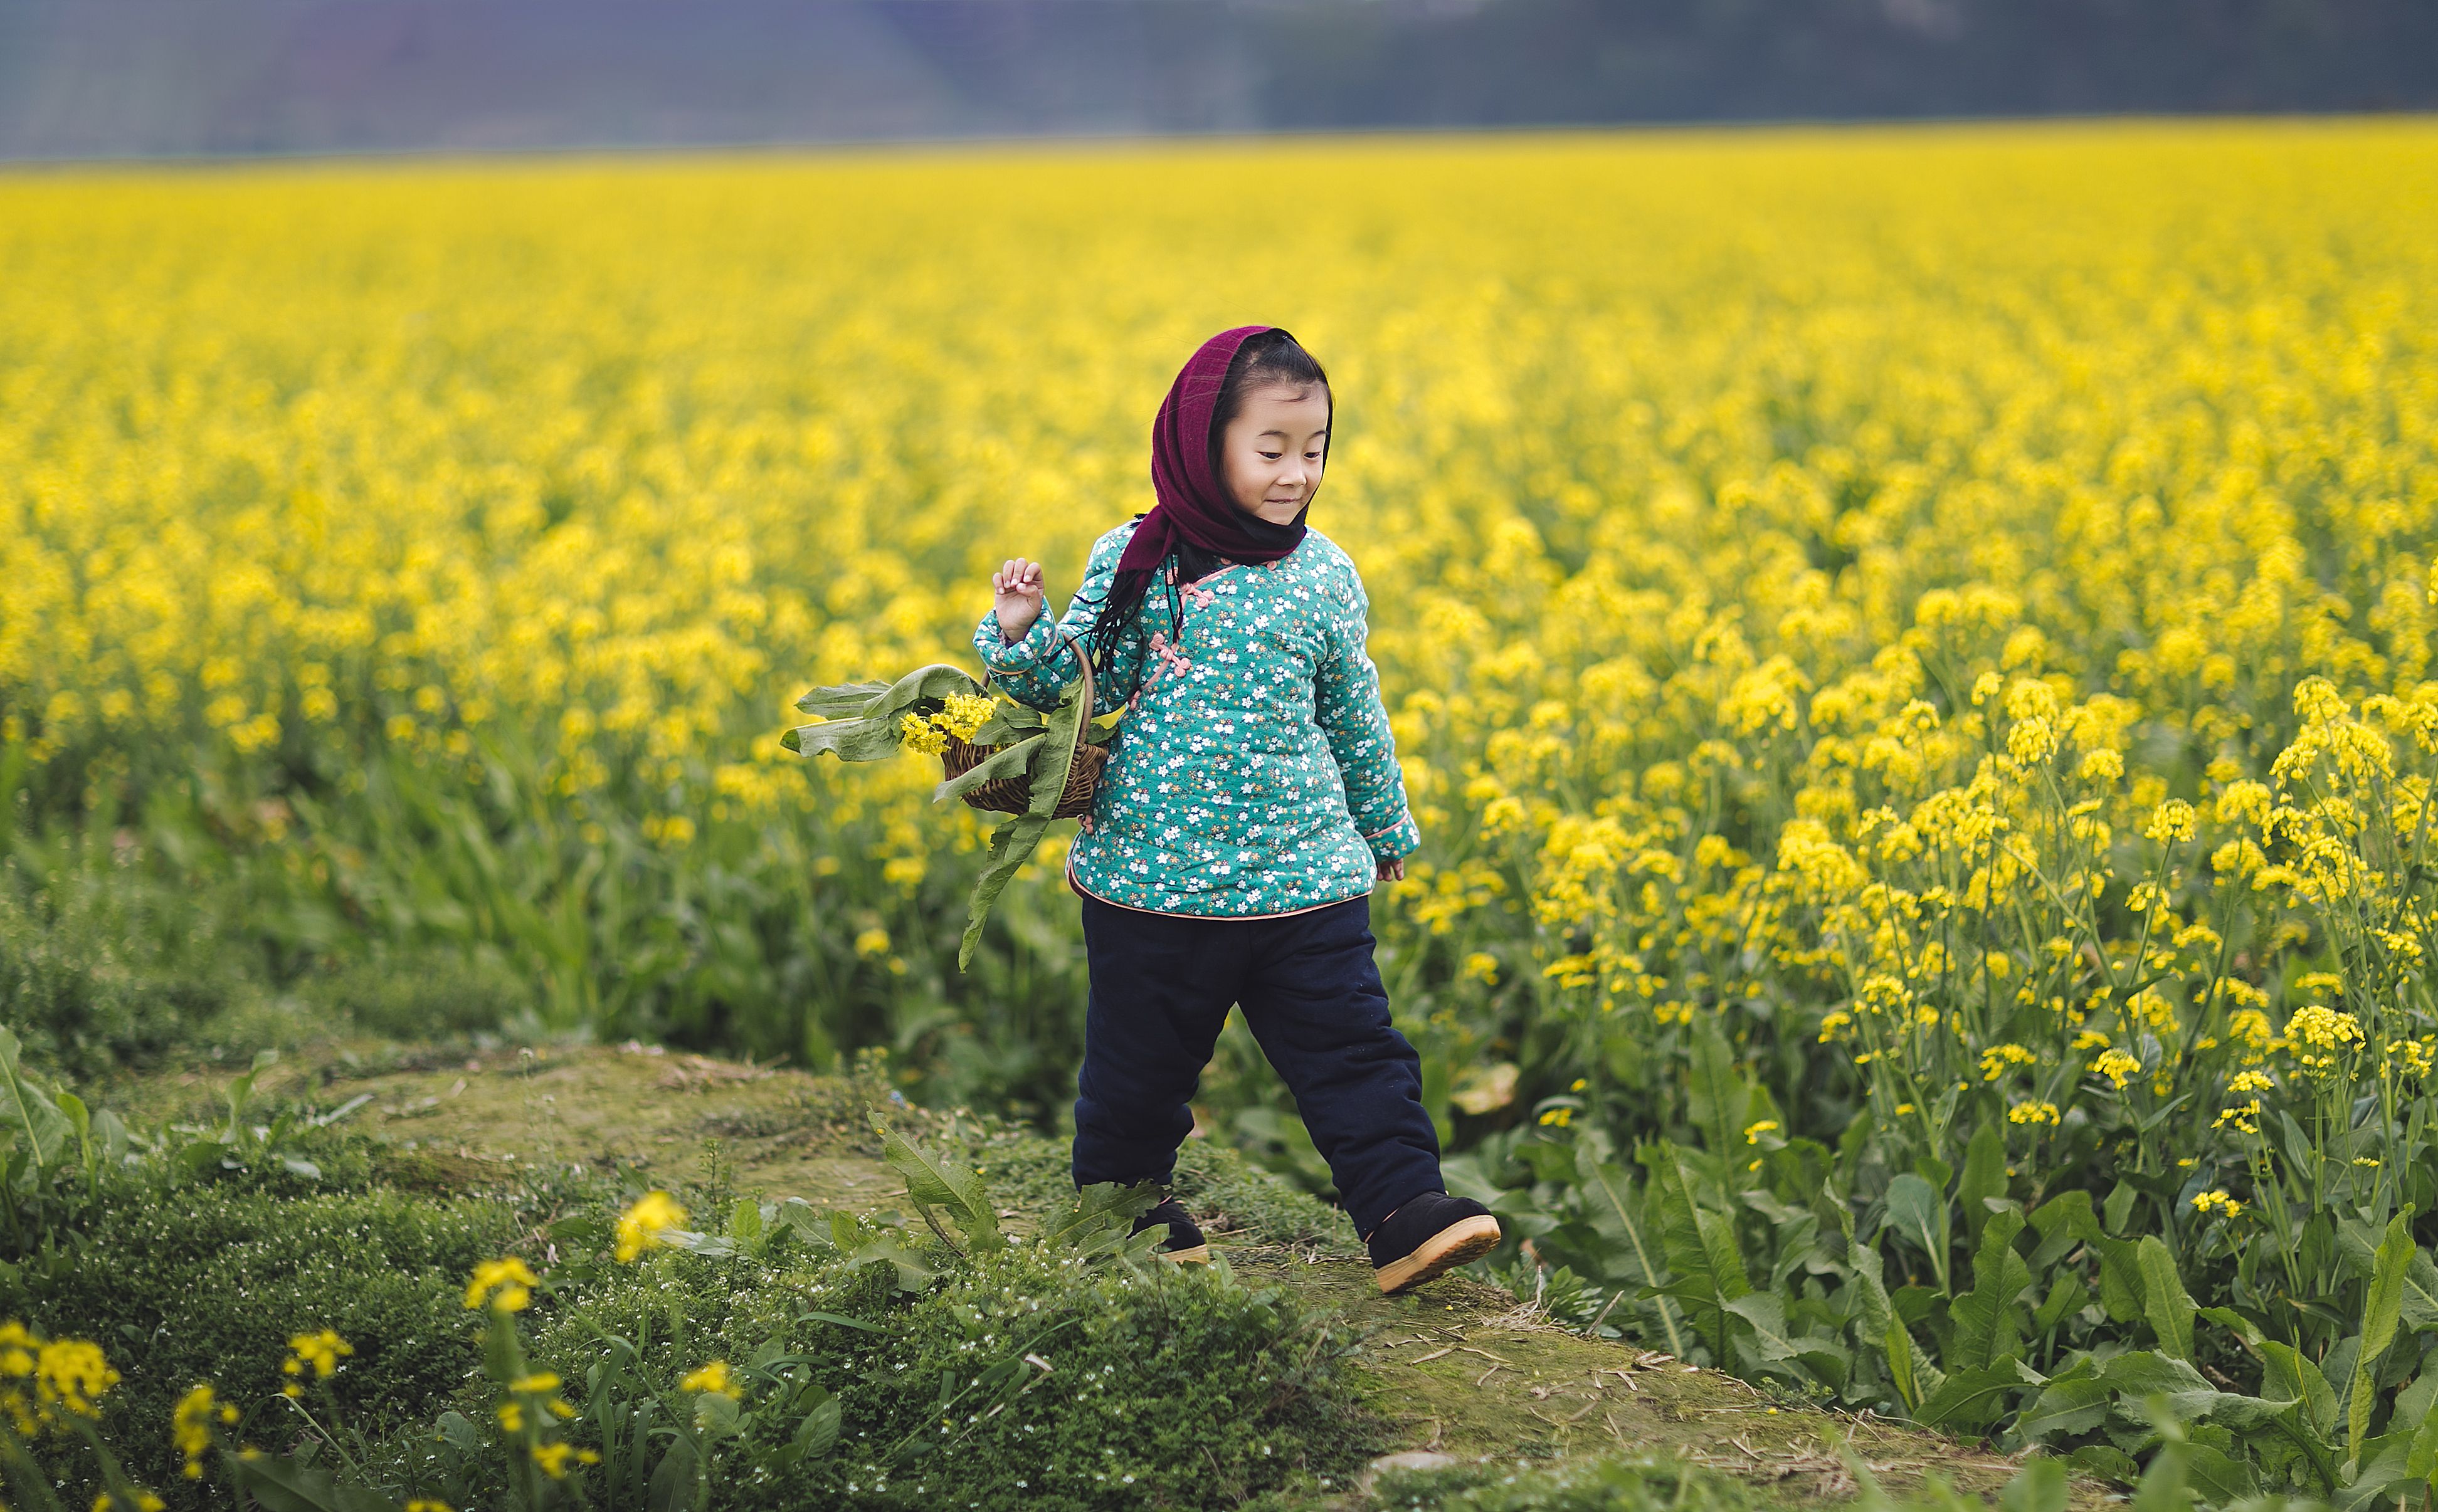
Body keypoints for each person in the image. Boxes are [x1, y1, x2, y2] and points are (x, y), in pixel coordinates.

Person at [972, 324, 1501, 1294]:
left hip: (1304, 877)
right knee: (1139, 1071)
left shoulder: (1326, 574)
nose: (1298, 473)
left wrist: (1385, 827)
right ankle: (1124, 1208)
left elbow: (1353, 712)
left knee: (1356, 1052)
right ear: (1203, 443)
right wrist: (1017, 632)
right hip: (1155, 882)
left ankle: (1402, 1213)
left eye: (1316, 449)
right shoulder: (1141, 559)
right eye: (1272, 450)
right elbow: (1079, 683)